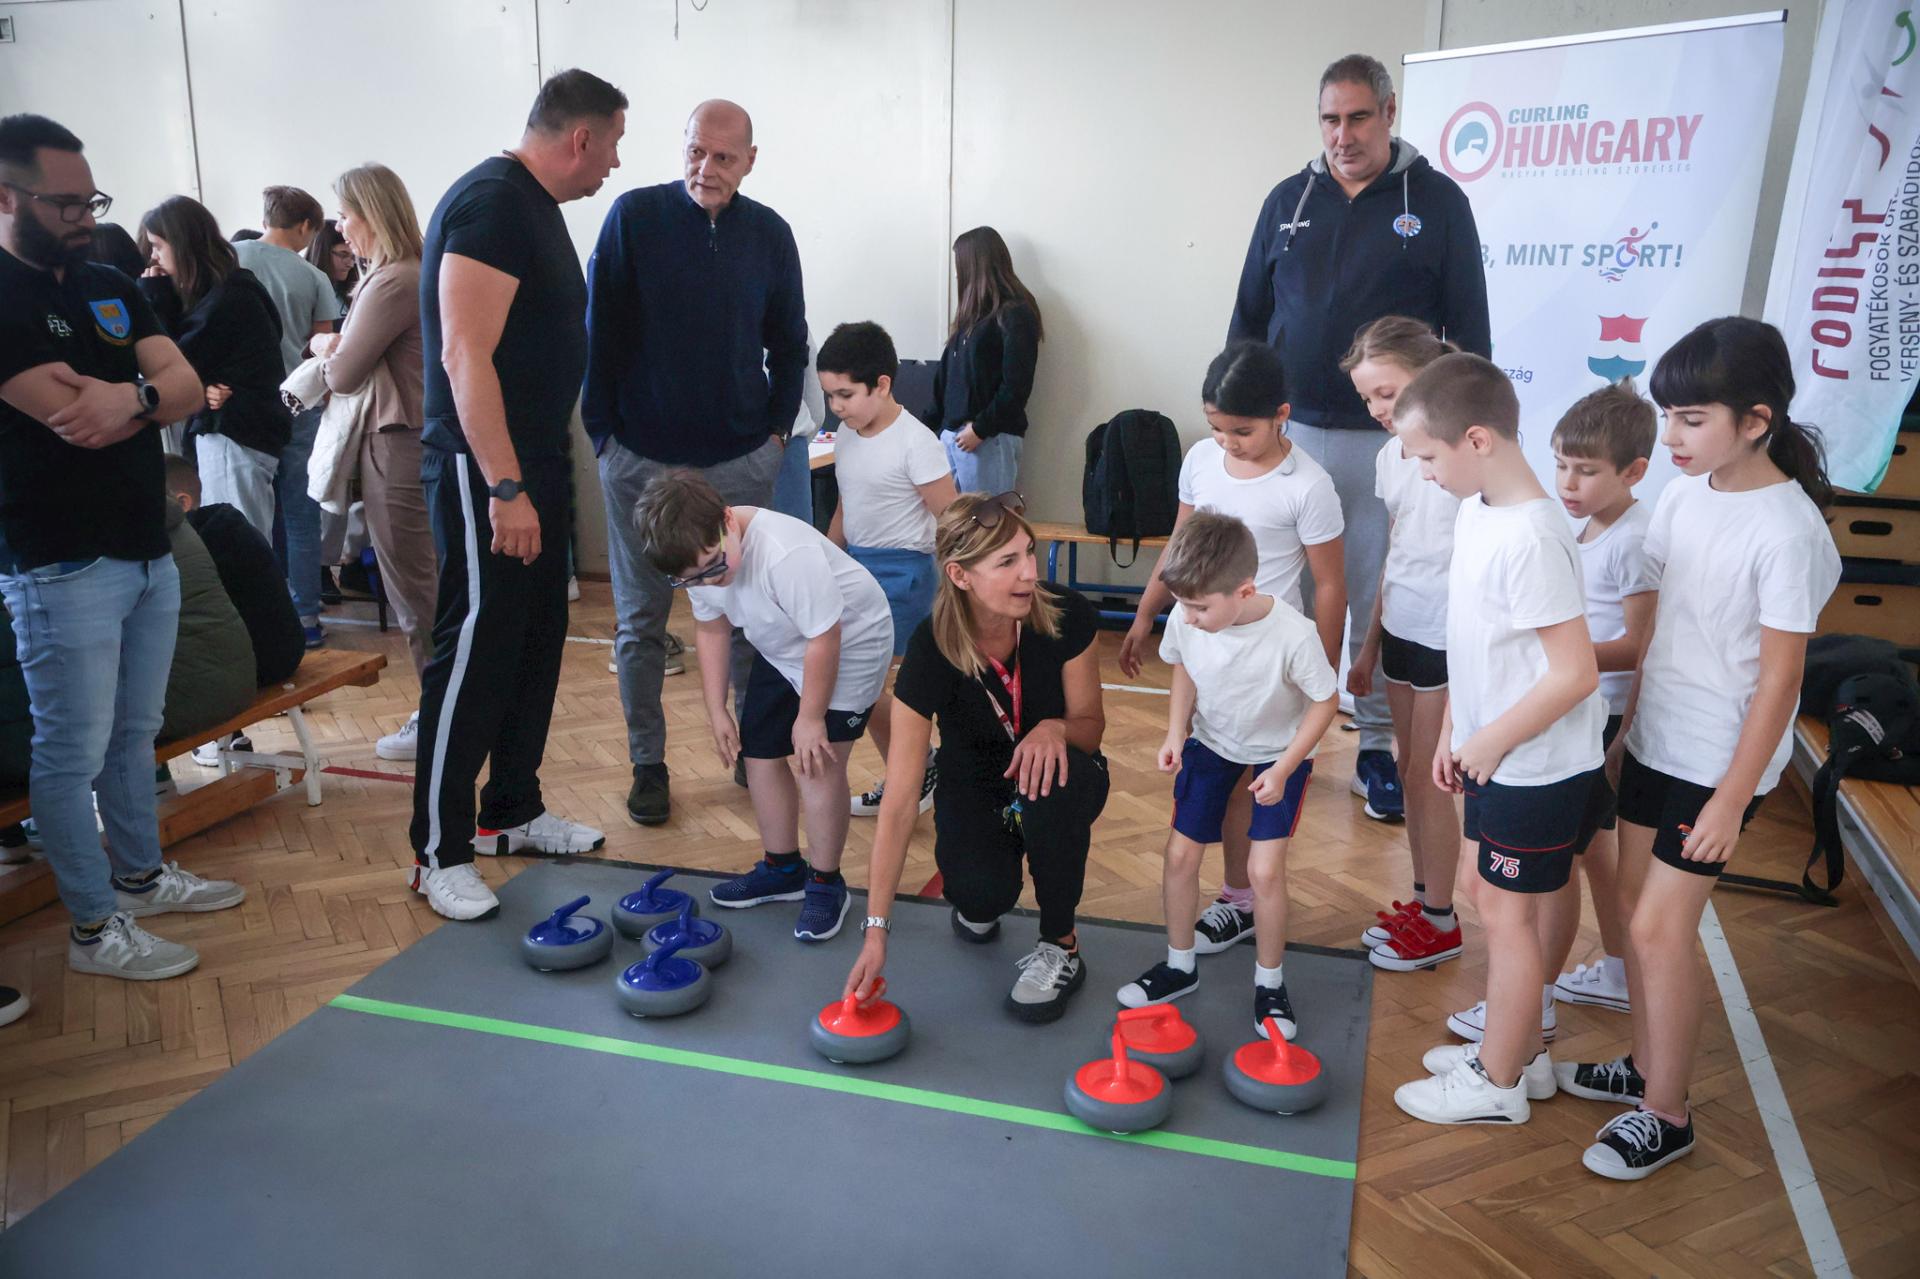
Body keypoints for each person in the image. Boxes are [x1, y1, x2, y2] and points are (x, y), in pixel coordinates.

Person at [1561, 319, 1840, 1180]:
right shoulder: (1685, 496)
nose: (1672, 437)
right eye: (1668, 417)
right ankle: (1647, 1065)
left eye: (1691, 419)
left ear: (1756, 421)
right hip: (1658, 736)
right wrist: (1628, 734)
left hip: (1719, 760)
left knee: (1657, 928)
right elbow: (1662, 634)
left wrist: (1730, 797)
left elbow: (1781, 683)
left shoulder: (1789, 531)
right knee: (1635, 913)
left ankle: (1668, 1114)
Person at [0, 113, 244, 980]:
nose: (83, 216)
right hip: (61, 560)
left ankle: (139, 876)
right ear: (7, 196)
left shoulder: (110, 281)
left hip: (146, 546)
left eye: (89, 200)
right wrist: (147, 394)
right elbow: (74, 417)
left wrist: (134, 396)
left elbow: (182, 384)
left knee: (134, 733)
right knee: (70, 752)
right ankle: (94, 929)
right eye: (64, 203)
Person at [1229, 52, 1491, 826]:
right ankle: (1282, 734)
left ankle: (1375, 746)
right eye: (1329, 120)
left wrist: (1454, 432)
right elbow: (1248, 318)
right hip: (1290, 431)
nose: (1342, 135)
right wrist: (1242, 417)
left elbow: (1470, 329)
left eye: (1358, 117)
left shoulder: (1437, 201)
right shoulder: (1288, 200)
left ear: (1390, 112)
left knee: (1377, 587)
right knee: (1286, 586)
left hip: (1390, 439)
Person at [406, 68, 626, 922]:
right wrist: (503, 484)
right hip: (485, 469)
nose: (613, 163)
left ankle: (511, 809)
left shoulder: (533, 206)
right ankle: (439, 851)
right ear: (581, 138)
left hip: (533, 461)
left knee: (535, 637)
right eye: (612, 144)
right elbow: (463, 353)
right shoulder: (494, 203)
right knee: (475, 648)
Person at [1387, 353, 1608, 1127]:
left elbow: (1574, 672)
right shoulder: (1478, 510)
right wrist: (1455, 727)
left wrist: (1489, 742)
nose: (1422, 473)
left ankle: (1499, 1079)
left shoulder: (1534, 535)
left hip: (1535, 764)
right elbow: (1475, 638)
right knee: (1490, 897)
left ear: (1477, 439)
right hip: (1494, 750)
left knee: (1509, 918)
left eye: (1426, 456)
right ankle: (1522, 1051)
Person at [585, 97, 807, 829]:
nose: (705, 168)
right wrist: (603, 438)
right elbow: (598, 332)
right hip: (639, 459)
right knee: (640, 623)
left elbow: (790, 344)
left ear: (750, 161)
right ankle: (648, 764)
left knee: (748, 618)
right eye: (694, 151)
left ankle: (753, 749)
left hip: (741, 461)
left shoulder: (770, 234)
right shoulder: (633, 218)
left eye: (722, 157)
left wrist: (775, 435)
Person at [844, 494, 1111, 1023]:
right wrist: (876, 932)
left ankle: (1061, 944)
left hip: (1062, 772)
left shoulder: (1065, 614)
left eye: (1029, 553)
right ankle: (983, 886)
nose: (1030, 572)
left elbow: (1091, 725)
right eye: (1007, 561)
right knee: (980, 898)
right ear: (960, 575)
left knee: (1050, 786)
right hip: (975, 784)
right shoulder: (930, 650)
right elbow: (900, 799)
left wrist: (1055, 728)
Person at [1118, 340, 1345, 955]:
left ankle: (1241, 899)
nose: (1228, 443)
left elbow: (1329, 585)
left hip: (1274, 660)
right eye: (1216, 428)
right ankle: (1236, 899)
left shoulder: (1308, 485)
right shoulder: (1201, 459)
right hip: (1211, 651)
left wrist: (1321, 669)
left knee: (1259, 782)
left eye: (1242, 431)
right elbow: (1179, 547)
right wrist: (1145, 613)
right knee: (1215, 773)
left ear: (1281, 415)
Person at [631, 471, 894, 941]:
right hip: (784, 642)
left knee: (817, 764)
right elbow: (712, 628)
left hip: (849, 643)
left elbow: (825, 636)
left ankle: (826, 883)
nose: (711, 580)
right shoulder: (696, 557)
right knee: (759, 752)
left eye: (714, 565)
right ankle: (782, 868)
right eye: (694, 578)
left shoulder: (784, 554)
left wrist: (810, 718)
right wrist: (716, 709)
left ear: (727, 520)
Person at [1121, 512, 1337, 1038]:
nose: (1189, 617)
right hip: (1212, 742)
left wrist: (1284, 768)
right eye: (1182, 605)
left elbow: (1325, 701)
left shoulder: (1294, 634)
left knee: (1264, 872)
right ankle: (1179, 964)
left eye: (1200, 607)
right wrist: (1175, 733)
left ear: (1245, 591)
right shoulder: (1187, 617)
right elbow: (1184, 667)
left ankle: (1270, 983)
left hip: (1278, 754)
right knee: (1179, 855)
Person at [1341, 318, 1465, 972]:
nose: (1376, 409)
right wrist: (1369, 646)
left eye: (1386, 393)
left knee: (1430, 779)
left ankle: (1442, 918)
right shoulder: (1390, 457)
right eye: (1367, 398)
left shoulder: (1462, 453)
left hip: (1449, 637)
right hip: (1403, 631)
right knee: (1411, 771)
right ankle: (1424, 902)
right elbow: (1397, 551)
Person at [306, 162, 436, 762]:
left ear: (372, 214)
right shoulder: (409, 272)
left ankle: (438, 713)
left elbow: (343, 374)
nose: (340, 228)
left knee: (414, 590)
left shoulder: (392, 281)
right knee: (423, 585)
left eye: (345, 215)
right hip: (408, 439)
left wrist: (321, 345)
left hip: (398, 442)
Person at [817, 321, 957, 817]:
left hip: (903, 576)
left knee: (864, 686)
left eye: (845, 395)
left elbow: (951, 518)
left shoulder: (916, 442)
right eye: (829, 395)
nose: (836, 406)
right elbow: (845, 507)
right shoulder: (847, 434)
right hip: (856, 569)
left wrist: (964, 590)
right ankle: (916, 771)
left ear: (882, 384)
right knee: (862, 685)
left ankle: (915, 772)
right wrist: (824, 561)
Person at [136, 196, 291, 538]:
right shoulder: (233, 288)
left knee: (238, 542)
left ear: (181, 244)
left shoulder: (226, 299)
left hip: (234, 435)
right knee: (243, 539)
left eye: (158, 246)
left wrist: (153, 296)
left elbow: (170, 364)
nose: (154, 257)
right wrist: (204, 387)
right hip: (241, 433)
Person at [234, 186, 342, 643]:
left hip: (242, 405)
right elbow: (322, 354)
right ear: (305, 227)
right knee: (301, 514)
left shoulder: (229, 258)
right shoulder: (313, 277)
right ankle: (307, 620)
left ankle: (260, 619)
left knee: (247, 516)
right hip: (298, 405)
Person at [164, 453, 303, 689]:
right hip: (288, 652)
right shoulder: (228, 523)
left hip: (253, 668)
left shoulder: (193, 543)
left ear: (182, 503)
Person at [926, 227, 1041, 495]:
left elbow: (1017, 385)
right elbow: (944, 382)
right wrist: (929, 432)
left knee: (986, 520)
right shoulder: (968, 320)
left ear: (975, 264)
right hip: (953, 438)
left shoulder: (1014, 314)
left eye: (960, 264)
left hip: (986, 439)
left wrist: (980, 429)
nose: (957, 274)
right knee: (953, 520)